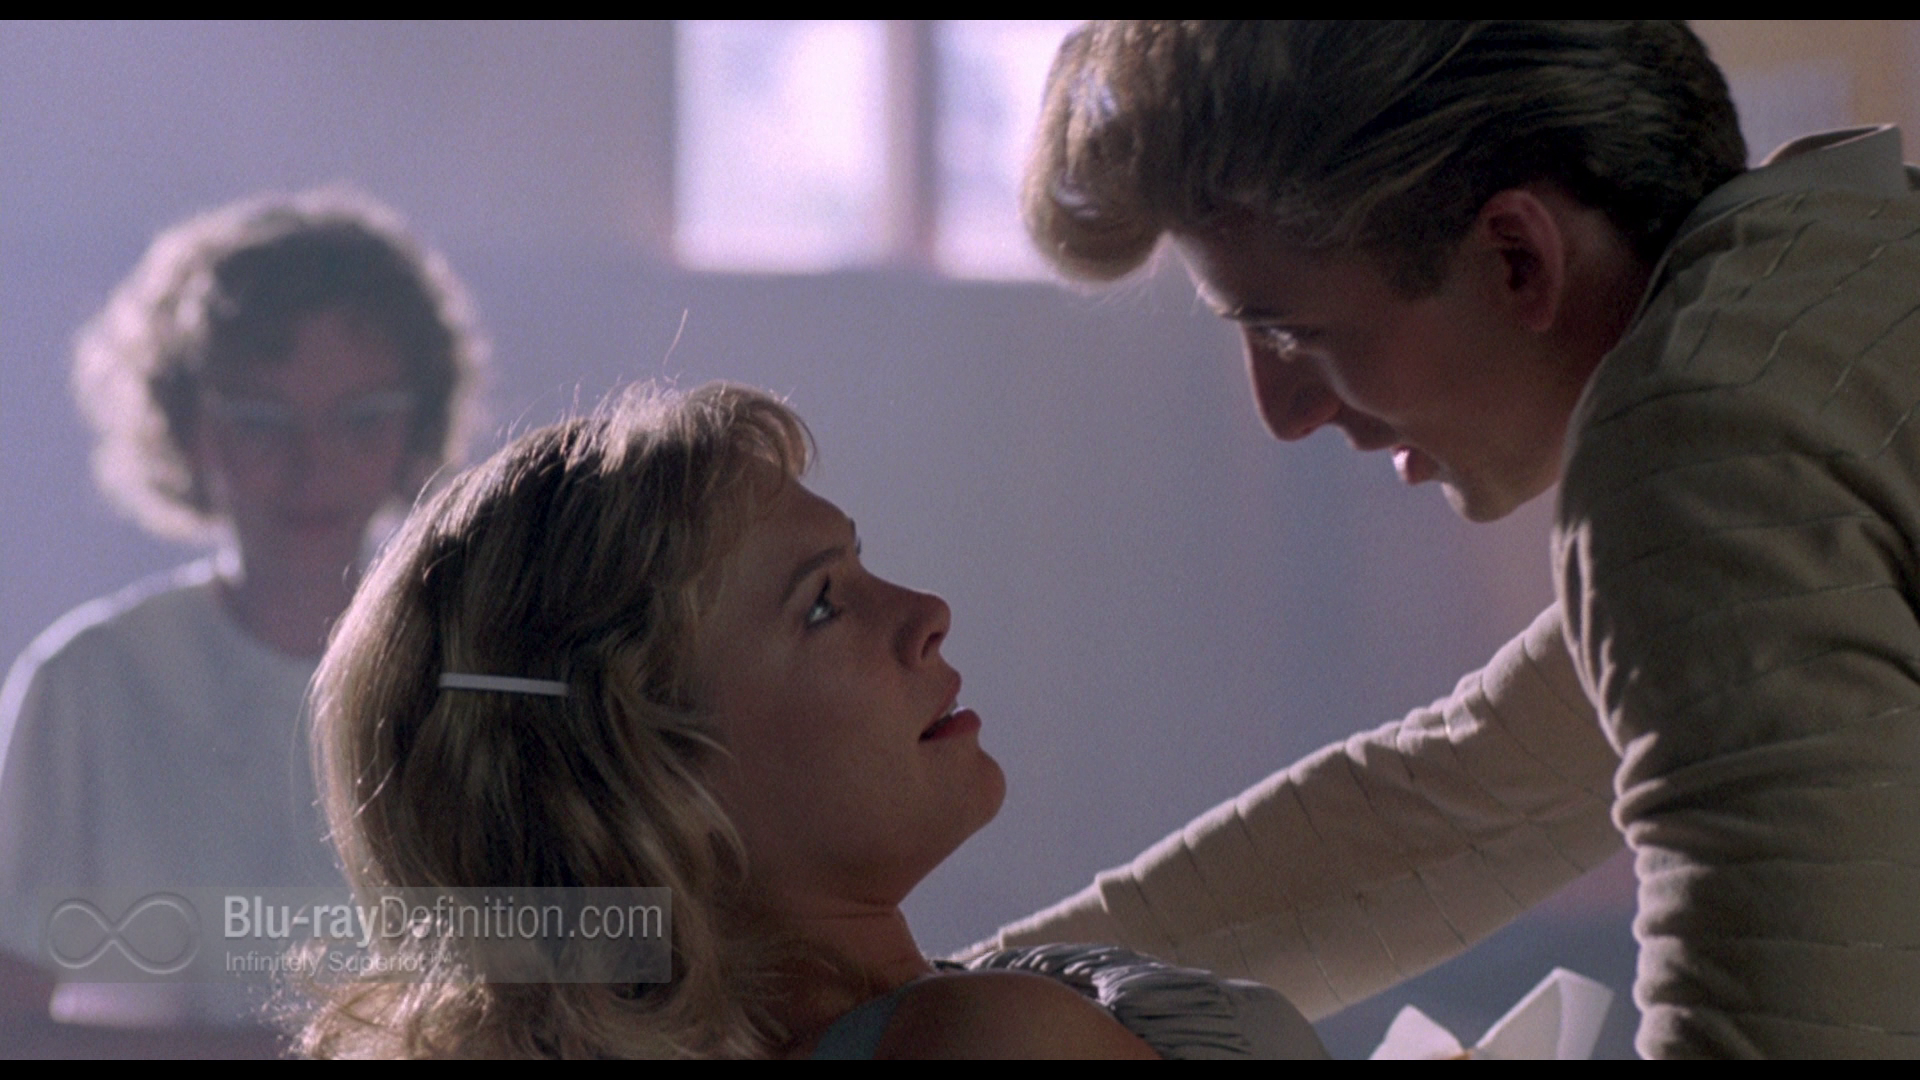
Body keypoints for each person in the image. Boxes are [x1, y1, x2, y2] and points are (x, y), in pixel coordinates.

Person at [984, 21, 1920, 1057]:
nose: (1281, 412)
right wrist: (927, 1008)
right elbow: (1469, 798)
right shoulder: (1823, 299)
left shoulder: (1701, 442)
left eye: (1293, 331)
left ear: (1517, 257)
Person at [298, 383, 1329, 1058]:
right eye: (824, 605)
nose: (927, 614)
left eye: (860, 565)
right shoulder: (983, 1042)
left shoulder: (935, 1014)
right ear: (650, 769)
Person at [0, 189, 484, 1041]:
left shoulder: (477, 681)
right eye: (263, 423)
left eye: (359, 421)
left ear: (415, 426)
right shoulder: (88, 682)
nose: (312, 463)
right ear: (189, 430)